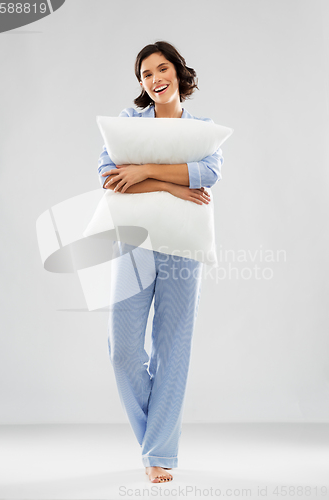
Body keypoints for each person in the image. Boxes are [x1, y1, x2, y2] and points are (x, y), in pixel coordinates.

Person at [98, 41, 224, 483]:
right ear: (141, 84)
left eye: (162, 68)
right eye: (146, 74)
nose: (155, 79)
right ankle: (155, 439)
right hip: (135, 243)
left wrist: (143, 170)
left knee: (174, 348)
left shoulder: (201, 128)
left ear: (178, 72)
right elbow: (110, 177)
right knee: (123, 349)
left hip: (184, 246)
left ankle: (159, 453)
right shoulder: (127, 124)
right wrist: (171, 185)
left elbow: (209, 173)